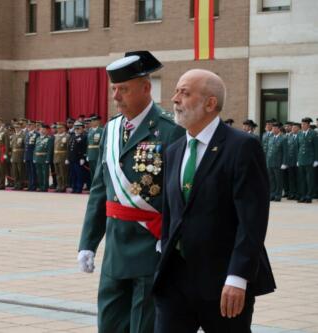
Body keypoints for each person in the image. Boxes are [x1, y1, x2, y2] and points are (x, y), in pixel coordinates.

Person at [153, 69, 276, 333]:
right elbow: (171, 212)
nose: (175, 99)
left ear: (210, 103)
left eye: (184, 93)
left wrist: (238, 277)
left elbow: (251, 221)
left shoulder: (242, 146)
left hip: (222, 282)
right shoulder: (174, 150)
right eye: (176, 91)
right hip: (175, 279)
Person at [77, 50, 184, 332]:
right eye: (114, 89)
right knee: (110, 323)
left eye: (123, 89)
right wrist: (88, 242)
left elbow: (180, 195)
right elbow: (100, 191)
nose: (116, 97)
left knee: (144, 326)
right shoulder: (110, 131)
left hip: (151, 247)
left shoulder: (170, 131)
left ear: (146, 88)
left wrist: (172, 239)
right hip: (115, 248)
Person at [297, 117, 317, 203]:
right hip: (301, 159)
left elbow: (316, 147)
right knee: (302, 179)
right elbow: (298, 147)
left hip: (310, 159)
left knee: (309, 179)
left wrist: (316, 160)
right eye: (302, 124)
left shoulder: (313, 134)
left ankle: (309, 196)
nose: (302, 125)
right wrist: (298, 159)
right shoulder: (300, 133)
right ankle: (303, 195)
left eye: (304, 124)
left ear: (308, 125)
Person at [266, 122, 286, 201]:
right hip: (270, 162)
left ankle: (278, 195)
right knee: (271, 179)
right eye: (273, 128)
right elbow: (268, 150)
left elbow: (285, 152)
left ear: (279, 129)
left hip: (278, 162)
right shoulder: (271, 138)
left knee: (278, 180)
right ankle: (272, 193)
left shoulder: (283, 138)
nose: (273, 129)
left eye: (275, 128)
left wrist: (284, 163)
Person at [68, 122, 87, 193]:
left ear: (82, 129)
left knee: (79, 174)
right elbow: (69, 148)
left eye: (78, 128)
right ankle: (74, 187)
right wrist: (67, 158)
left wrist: (83, 158)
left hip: (78, 158)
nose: (77, 130)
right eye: (76, 128)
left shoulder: (84, 137)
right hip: (72, 158)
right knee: (73, 174)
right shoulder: (72, 136)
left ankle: (79, 188)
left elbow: (84, 148)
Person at [33, 123, 53, 192]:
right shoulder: (38, 138)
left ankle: (45, 187)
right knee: (39, 173)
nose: (42, 131)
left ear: (47, 130)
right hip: (37, 157)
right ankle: (40, 186)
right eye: (41, 129)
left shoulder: (49, 138)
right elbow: (35, 149)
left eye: (44, 129)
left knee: (45, 173)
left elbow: (49, 150)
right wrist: (34, 158)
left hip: (44, 158)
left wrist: (48, 159)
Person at [87, 115, 104, 188]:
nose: (92, 122)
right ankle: (93, 185)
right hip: (91, 153)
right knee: (92, 171)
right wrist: (87, 154)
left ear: (98, 121)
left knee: (98, 171)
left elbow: (103, 143)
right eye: (91, 121)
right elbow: (87, 144)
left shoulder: (101, 130)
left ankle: (99, 186)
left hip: (97, 153)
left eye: (94, 121)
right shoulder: (89, 131)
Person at [284, 122, 299, 200]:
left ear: (298, 129)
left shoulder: (300, 136)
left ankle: (297, 193)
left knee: (298, 178)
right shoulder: (289, 137)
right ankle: (291, 193)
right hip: (290, 161)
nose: (293, 129)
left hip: (297, 161)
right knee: (291, 178)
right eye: (292, 128)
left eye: (294, 128)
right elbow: (287, 150)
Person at [53, 122, 70, 192]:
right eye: (57, 128)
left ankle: (64, 186)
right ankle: (59, 185)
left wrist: (67, 158)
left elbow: (68, 148)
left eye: (60, 128)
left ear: (64, 128)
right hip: (56, 156)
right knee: (58, 173)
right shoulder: (56, 136)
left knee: (63, 173)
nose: (58, 129)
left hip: (63, 156)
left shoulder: (67, 136)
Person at [10, 123, 26, 190]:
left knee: (20, 171)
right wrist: (11, 156)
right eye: (15, 127)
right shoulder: (13, 135)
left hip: (20, 155)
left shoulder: (24, 135)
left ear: (21, 127)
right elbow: (11, 147)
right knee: (15, 171)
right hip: (14, 155)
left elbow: (25, 147)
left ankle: (21, 185)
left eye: (18, 127)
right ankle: (16, 184)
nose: (16, 128)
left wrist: (24, 156)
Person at [24, 121, 39, 191]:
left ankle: (34, 185)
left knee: (33, 172)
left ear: (34, 126)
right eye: (28, 125)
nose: (29, 126)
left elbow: (37, 146)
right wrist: (24, 157)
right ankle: (30, 185)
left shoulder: (37, 134)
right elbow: (25, 146)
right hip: (27, 155)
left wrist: (35, 156)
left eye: (30, 125)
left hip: (33, 156)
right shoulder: (27, 134)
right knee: (28, 172)